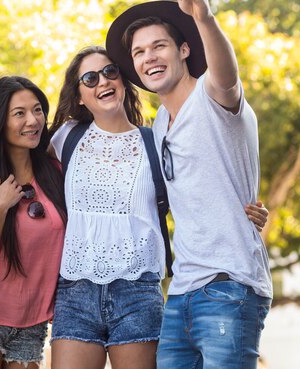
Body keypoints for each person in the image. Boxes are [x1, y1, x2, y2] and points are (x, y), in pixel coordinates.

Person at [47, 46, 268, 369]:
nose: (103, 82)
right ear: (79, 95)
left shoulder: (156, 141)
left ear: (123, 80)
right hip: (75, 290)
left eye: (110, 72)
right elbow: (26, 170)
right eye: (90, 78)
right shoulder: (65, 139)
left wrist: (244, 209)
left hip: (138, 292)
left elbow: (199, 187)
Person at [105, 0, 273, 369]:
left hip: (228, 286)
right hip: (181, 293)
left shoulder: (212, 97)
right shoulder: (160, 122)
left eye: (158, 46)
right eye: (139, 53)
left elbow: (227, 77)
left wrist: (203, 15)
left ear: (184, 50)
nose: (148, 58)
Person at [0, 76, 66, 369]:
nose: (33, 120)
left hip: (33, 321)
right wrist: (0, 207)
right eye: (19, 113)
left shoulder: (56, 173)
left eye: (37, 110)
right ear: (0, 120)